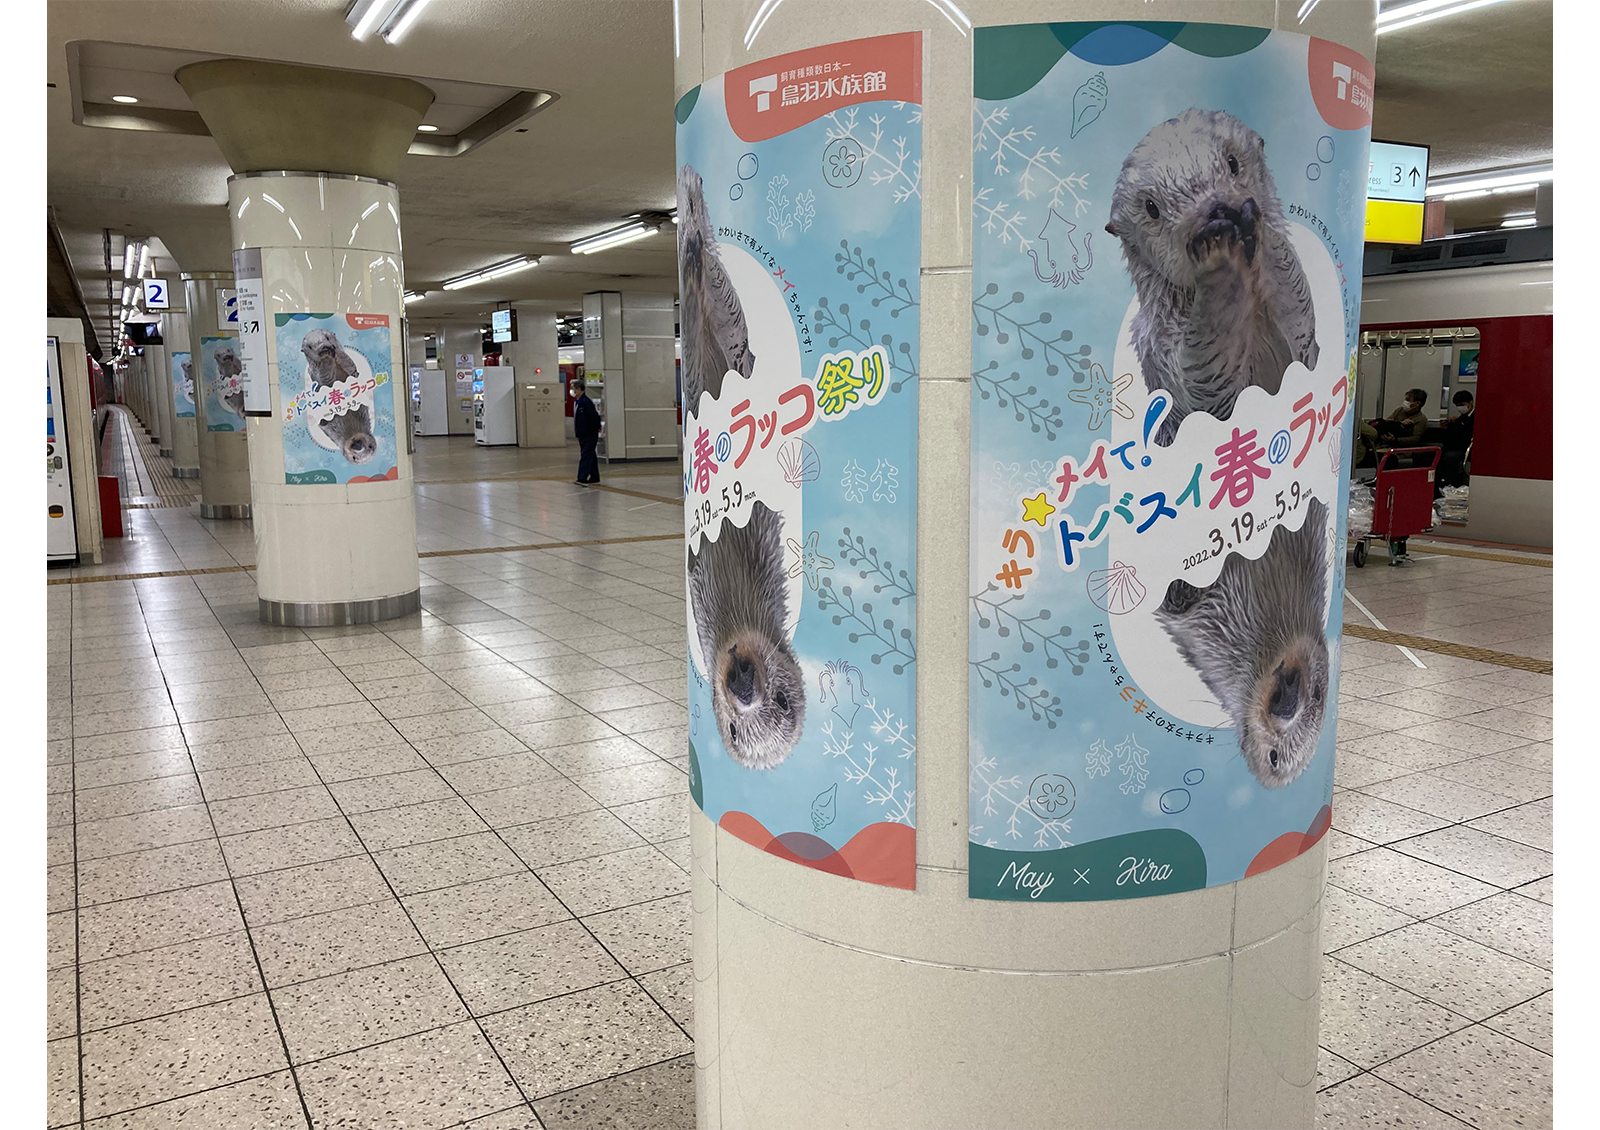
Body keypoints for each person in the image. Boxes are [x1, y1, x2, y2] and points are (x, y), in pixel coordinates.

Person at [1436, 389, 1475, 497]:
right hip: (1455, 447)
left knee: (1450, 457)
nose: (1460, 407)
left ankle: (1451, 483)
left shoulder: (1476, 418)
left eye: (1462, 404)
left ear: (1470, 402)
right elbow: (1450, 440)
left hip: (1468, 450)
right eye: (1457, 405)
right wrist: (1446, 429)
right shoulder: (1457, 420)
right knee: (1435, 453)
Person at [572, 374, 601, 485]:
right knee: (590, 454)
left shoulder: (585, 402)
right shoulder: (578, 402)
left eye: (573, 388)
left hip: (589, 433)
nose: (571, 391)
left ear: (579, 389)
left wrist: (596, 427)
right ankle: (594, 476)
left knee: (585, 455)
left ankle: (582, 478)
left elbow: (594, 416)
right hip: (582, 433)